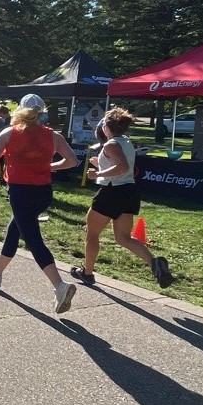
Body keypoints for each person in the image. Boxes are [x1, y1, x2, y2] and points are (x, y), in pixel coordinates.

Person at [0, 93, 81, 314]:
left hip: (20, 191)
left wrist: (8, 155)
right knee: (14, 229)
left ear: (20, 111)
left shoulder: (8, 133)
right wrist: (49, 167)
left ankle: (59, 286)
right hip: (43, 193)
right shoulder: (53, 136)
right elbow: (72, 161)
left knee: (33, 239)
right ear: (42, 112)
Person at [70, 106, 173, 288]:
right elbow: (120, 164)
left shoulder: (111, 144)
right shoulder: (125, 141)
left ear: (106, 127)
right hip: (129, 192)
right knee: (123, 237)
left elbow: (122, 166)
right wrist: (100, 163)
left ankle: (87, 272)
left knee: (92, 233)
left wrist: (98, 174)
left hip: (112, 192)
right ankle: (154, 263)